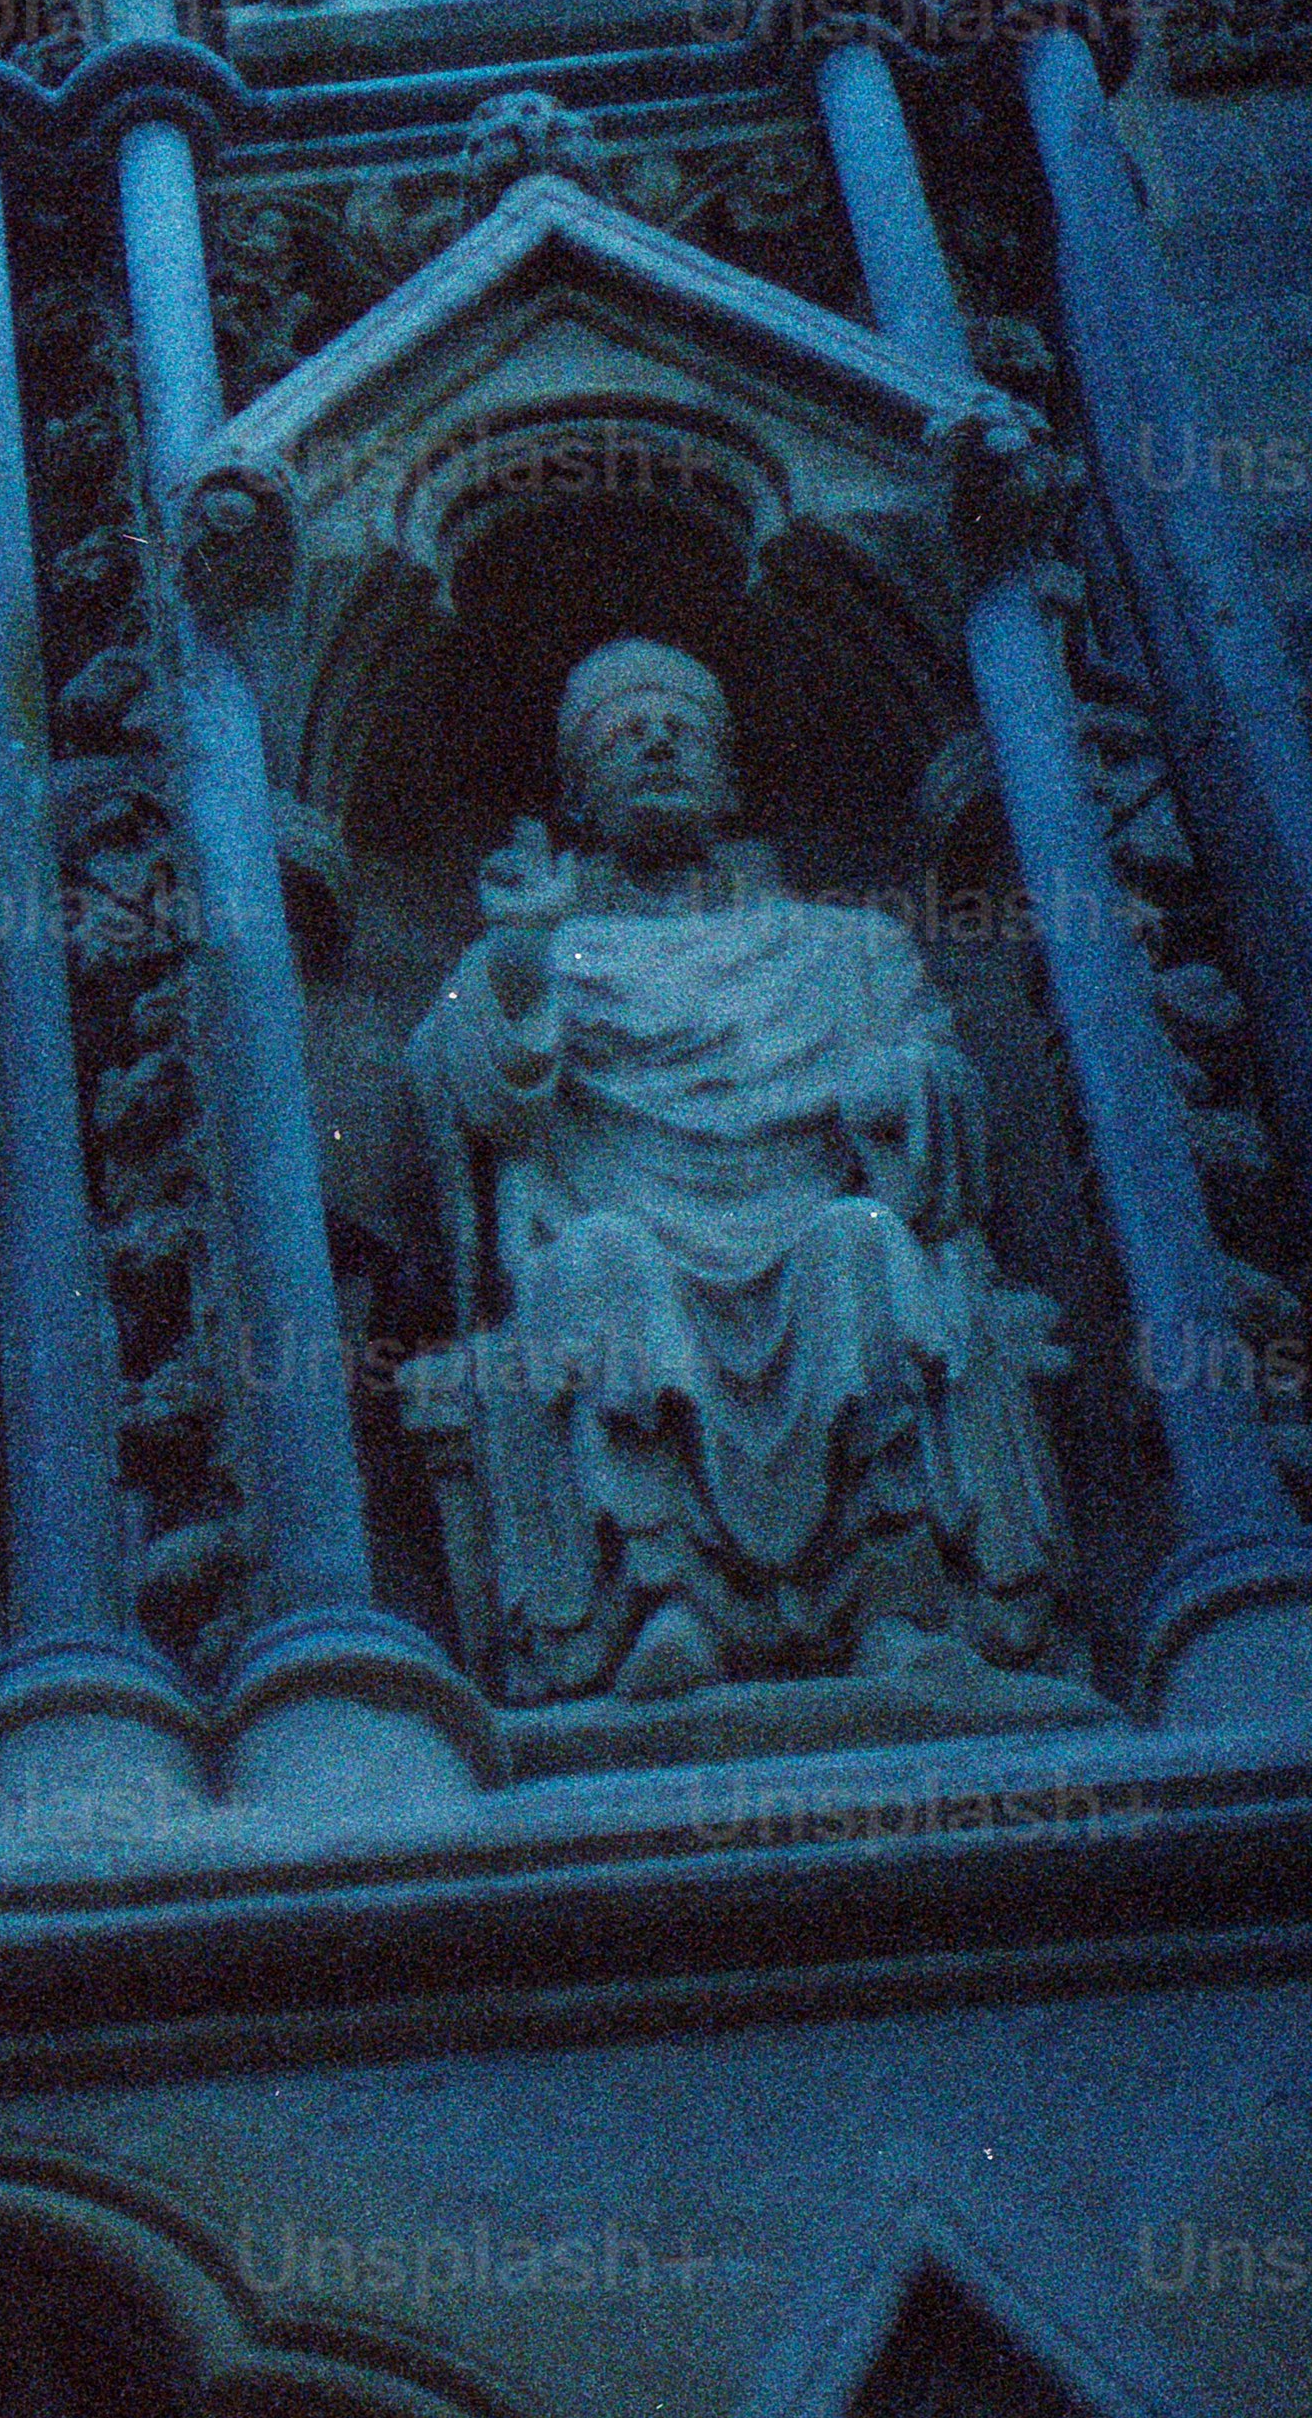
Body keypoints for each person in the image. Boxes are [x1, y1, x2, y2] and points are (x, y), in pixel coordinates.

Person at [403, 637, 1066, 1701]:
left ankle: (890, 1603)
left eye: (682, 727)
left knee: (859, 1246)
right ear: (574, 797)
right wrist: (517, 962)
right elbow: (476, 1107)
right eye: (623, 731)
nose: (655, 737)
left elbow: (943, 1088)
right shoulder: (546, 958)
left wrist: (898, 1088)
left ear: (728, 778)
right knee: (598, 1261)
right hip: (637, 1244)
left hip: (814, 1226)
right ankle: (664, 1605)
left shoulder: (844, 949)